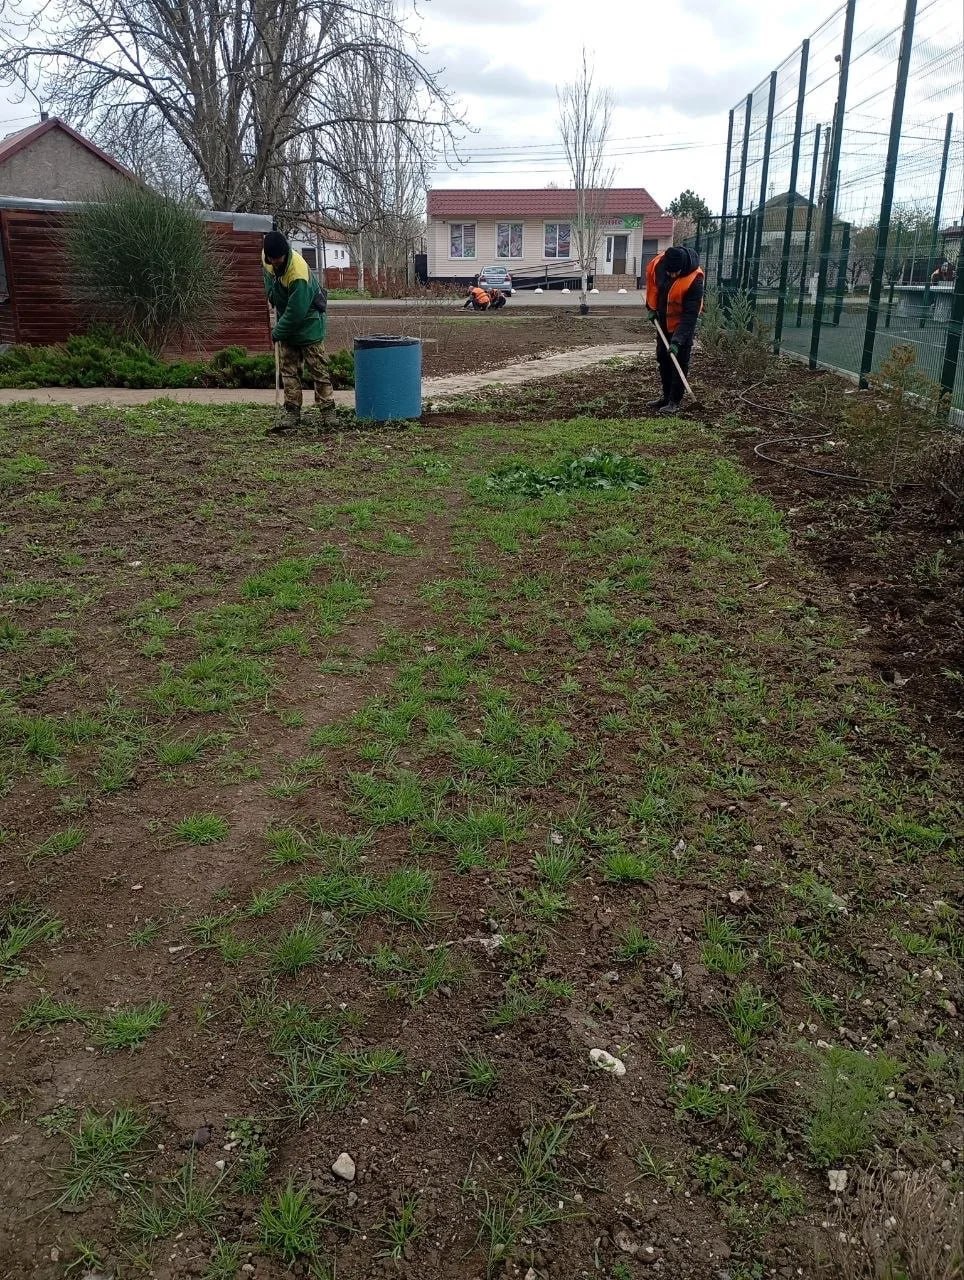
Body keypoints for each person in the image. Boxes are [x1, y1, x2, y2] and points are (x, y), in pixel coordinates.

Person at [262, 230, 334, 433]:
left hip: (309, 321)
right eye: (271, 259)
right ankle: (292, 411)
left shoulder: (298, 273)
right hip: (286, 319)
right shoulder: (267, 258)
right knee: (289, 370)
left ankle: (328, 412)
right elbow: (268, 278)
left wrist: (278, 331)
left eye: (278, 258)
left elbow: (297, 312)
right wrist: (271, 294)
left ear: (285, 253)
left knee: (318, 370)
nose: (275, 262)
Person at [645, 245, 704, 415]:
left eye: (674, 273)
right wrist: (651, 308)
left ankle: (674, 401)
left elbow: (690, 316)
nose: (670, 275)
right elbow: (653, 288)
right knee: (663, 358)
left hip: (682, 325)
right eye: (668, 272)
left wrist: (678, 341)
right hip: (663, 321)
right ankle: (665, 397)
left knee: (679, 361)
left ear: (682, 268)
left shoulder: (695, 280)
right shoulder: (660, 265)